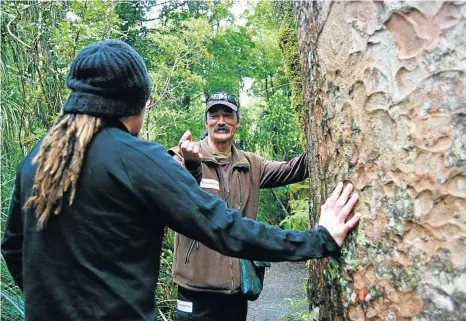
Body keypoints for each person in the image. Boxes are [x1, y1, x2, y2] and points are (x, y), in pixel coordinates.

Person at [1, 40, 360, 321]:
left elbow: (13, 249)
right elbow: (225, 228)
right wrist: (319, 239)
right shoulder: (139, 160)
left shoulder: (39, 158)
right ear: (137, 103)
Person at [169, 92, 355, 321]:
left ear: (237, 122)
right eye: (214, 115)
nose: (221, 121)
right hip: (195, 288)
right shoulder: (183, 155)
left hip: (237, 289)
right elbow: (178, 188)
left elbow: (292, 169)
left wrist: (328, 140)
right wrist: (192, 166)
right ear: (206, 121)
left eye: (228, 115)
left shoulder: (251, 164)